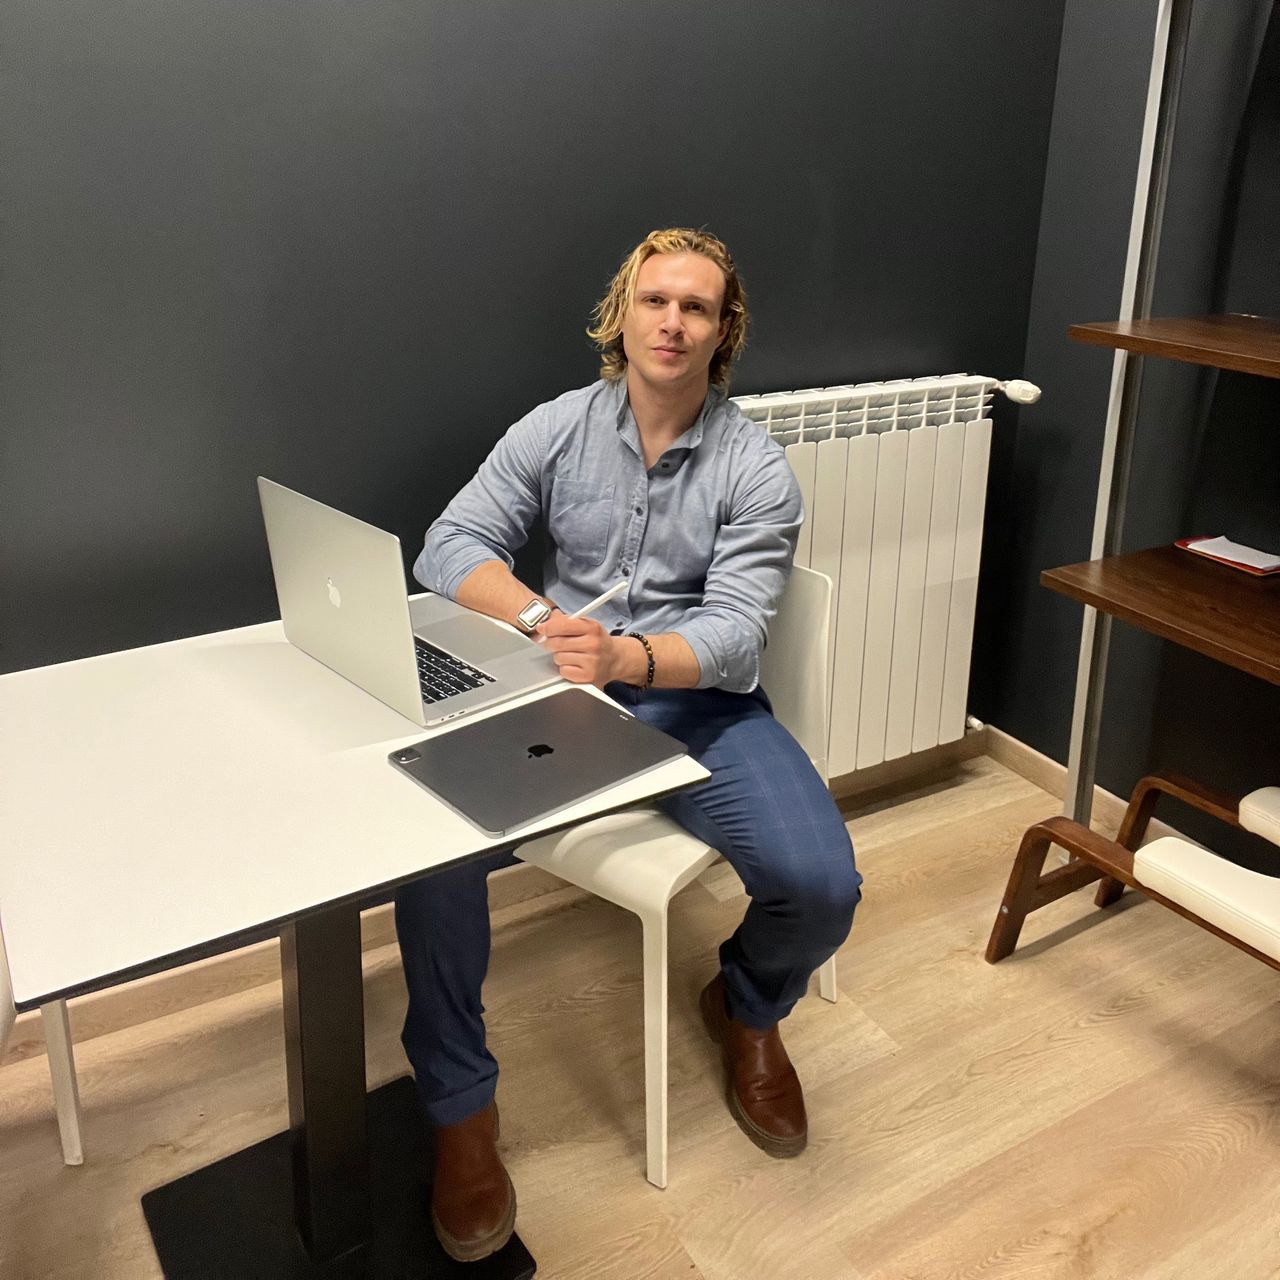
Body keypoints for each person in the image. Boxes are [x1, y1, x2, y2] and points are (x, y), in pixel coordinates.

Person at [398, 227, 862, 1261]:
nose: (672, 322)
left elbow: (735, 635)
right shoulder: (560, 425)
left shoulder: (755, 466)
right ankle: (461, 1108)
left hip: (695, 704)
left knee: (821, 884)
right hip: (564, 697)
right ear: (622, 313)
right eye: (655, 300)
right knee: (432, 847)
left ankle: (746, 1005)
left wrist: (630, 655)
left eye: (696, 307)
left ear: (723, 330)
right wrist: (541, 622)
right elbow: (448, 545)